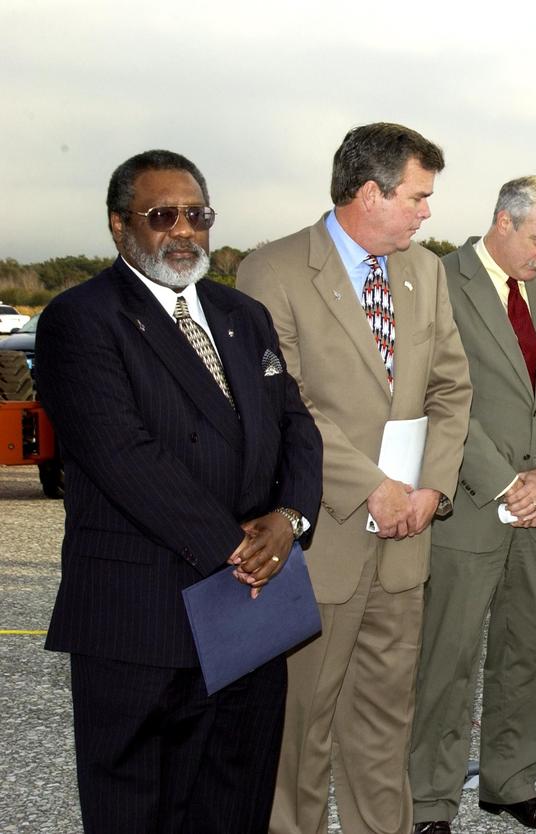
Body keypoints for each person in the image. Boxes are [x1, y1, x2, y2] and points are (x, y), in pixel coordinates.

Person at [39, 149, 323, 833]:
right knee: (138, 811)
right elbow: (124, 457)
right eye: (163, 215)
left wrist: (290, 519)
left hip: (249, 614)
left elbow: (297, 427)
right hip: (141, 618)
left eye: (198, 215)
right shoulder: (82, 319)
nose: (185, 231)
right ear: (120, 226)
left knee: (236, 800)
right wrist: (239, 549)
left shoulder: (241, 314)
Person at [237, 123, 473, 834]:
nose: (427, 212)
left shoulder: (424, 271)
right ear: (370, 193)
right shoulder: (271, 271)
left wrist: (431, 489)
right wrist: (370, 484)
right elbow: (285, 402)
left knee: (382, 728)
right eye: (417, 196)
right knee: (300, 731)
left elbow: (450, 390)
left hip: (404, 540)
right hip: (321, 543)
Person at [407, 175, 536, 834]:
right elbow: (434, 393)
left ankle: (511, 782)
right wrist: (507, 480)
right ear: (502, 223)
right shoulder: (440, 281)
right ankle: (428, 803)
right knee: (447, 659)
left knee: (530, 649)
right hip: (471, 504)